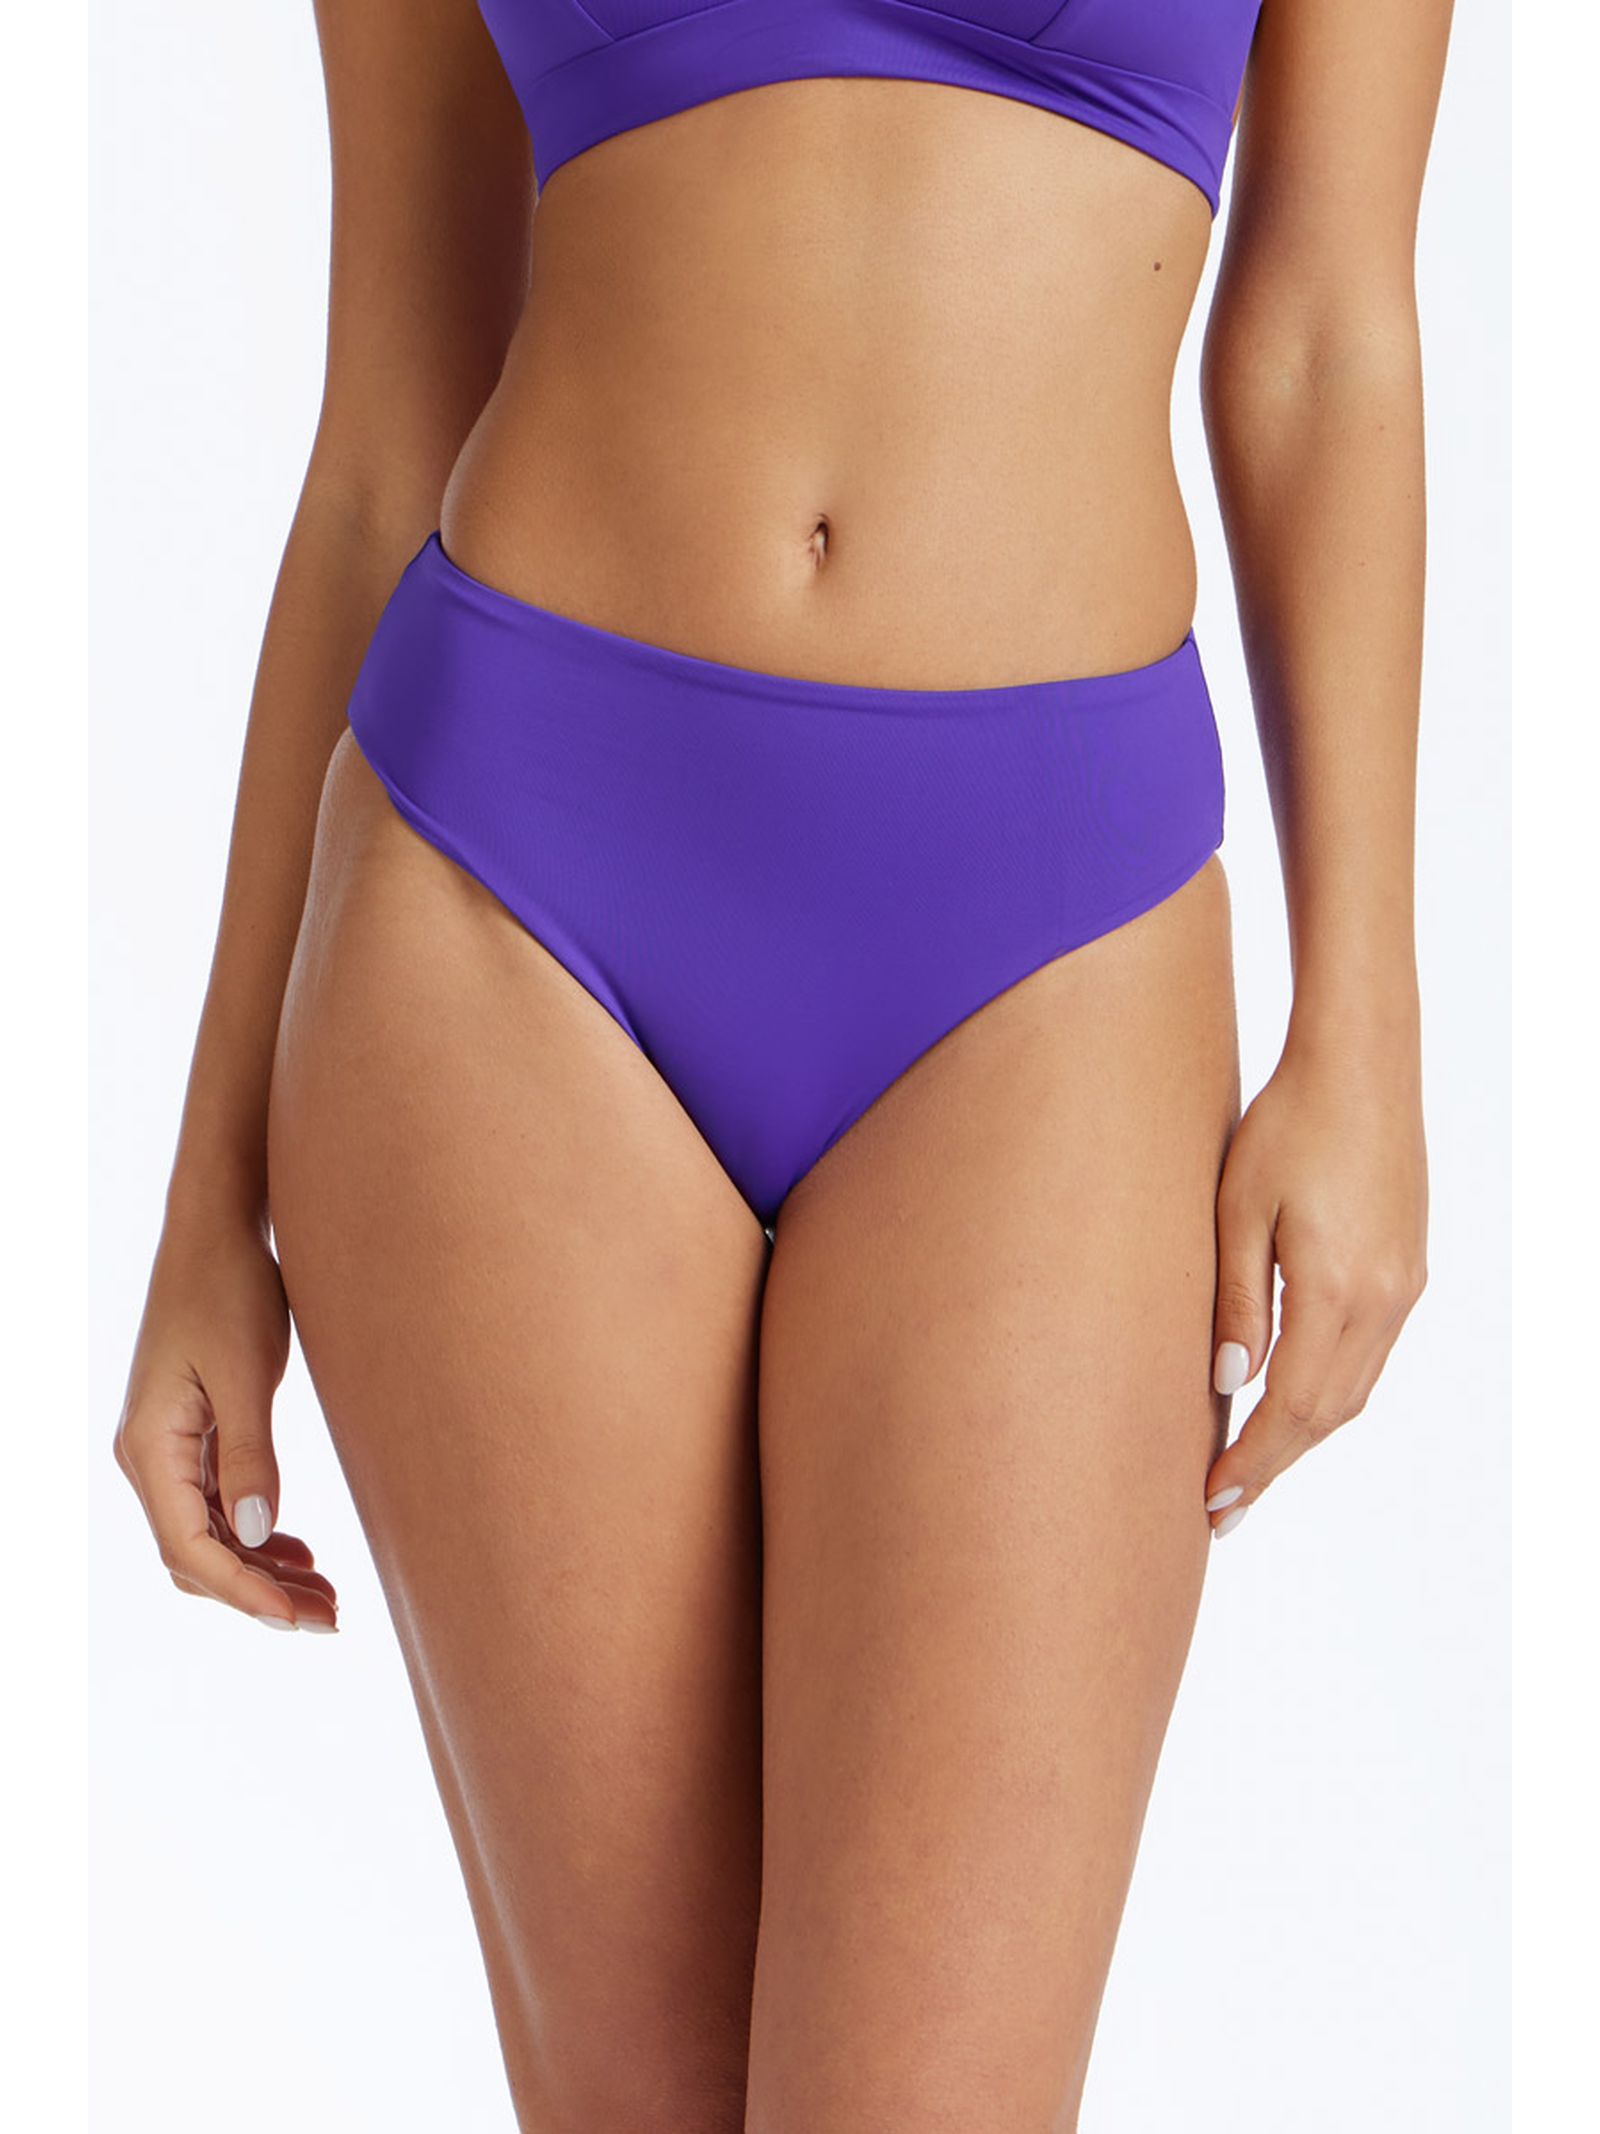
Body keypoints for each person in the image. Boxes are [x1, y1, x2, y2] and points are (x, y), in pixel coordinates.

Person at [114, 2, 1451, 2124]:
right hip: (508, 889)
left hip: (1053, 936)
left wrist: (1361, 1029)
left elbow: (1321, 340)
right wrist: (207, 1193)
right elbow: (383, 424)